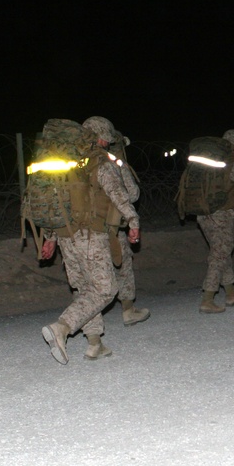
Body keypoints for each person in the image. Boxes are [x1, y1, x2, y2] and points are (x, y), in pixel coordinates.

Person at [40, 116, 140, 363]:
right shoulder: (99, 162)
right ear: (102, 137)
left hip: (65, 236)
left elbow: (56, 202)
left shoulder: (63, 161)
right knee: (106, 289)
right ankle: (62, 327)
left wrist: (50, 238)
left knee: (86, 289)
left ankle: (95, 344)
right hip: (91, 236)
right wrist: (133, 221)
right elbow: (120, 194)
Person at [194, 130, 234, 314]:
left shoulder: (204, 160)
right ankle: (208, 298)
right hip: (223, 215)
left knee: (220, 250)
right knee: (219, 254)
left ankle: (230, 292)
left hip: (202, 213)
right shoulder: (232, 163)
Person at [110, 130, 150, 327]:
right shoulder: (114, 162)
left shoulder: (77, 160)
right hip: (111, 225)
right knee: (123, 265)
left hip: (82, 228)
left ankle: (88, 316)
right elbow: (133, 194)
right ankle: (128, 310)